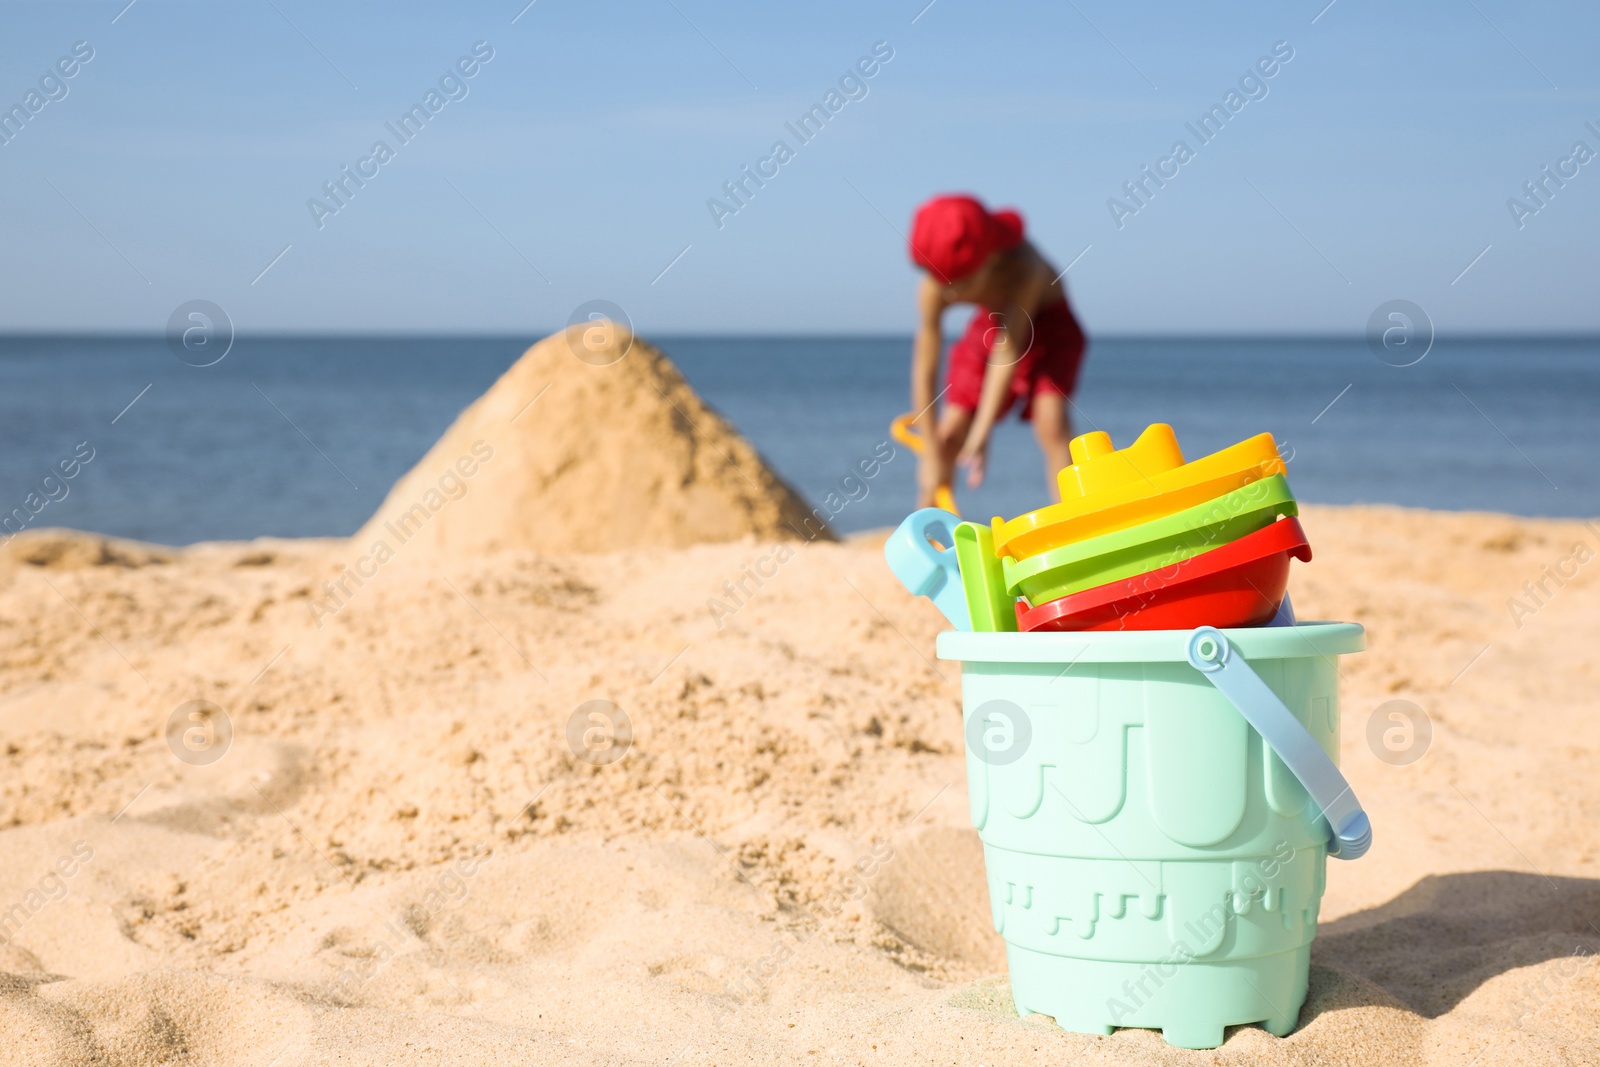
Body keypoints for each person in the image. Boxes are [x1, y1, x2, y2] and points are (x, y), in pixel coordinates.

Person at [907, 194, 1088, 508]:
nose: (950, 293)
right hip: (993, 324)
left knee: (1051, 421)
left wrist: (981, 434)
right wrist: (931, 456)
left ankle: (1075, 519)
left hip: (1049, 327)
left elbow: (1007, 352)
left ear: (990, 259)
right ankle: (924, 534)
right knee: (947, 435)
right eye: (942, 282)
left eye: (962, 283)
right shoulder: (935, 288)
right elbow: (924, 368)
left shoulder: (1024, 268)